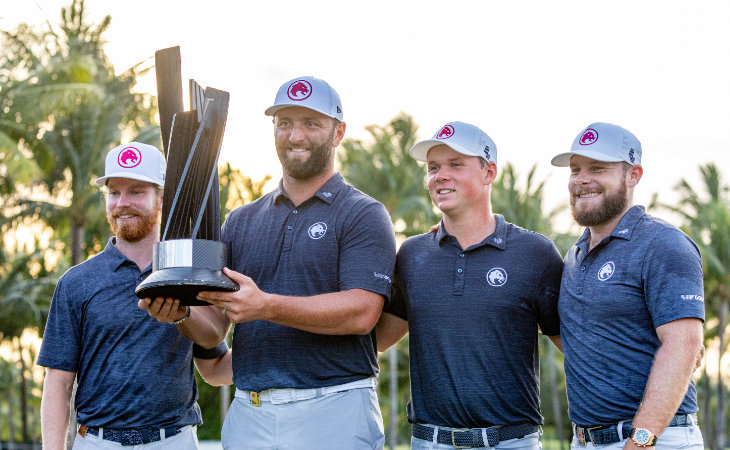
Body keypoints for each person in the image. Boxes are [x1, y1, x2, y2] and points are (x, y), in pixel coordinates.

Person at [194, 76, 397, 450]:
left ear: (338, 133)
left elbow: (362, 312)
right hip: (249, 413)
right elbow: (213, 328)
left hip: (334, 409)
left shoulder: (363, 214)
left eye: (311, 124)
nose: (295, 136)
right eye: (284, 123)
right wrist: (176, 312)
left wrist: (266, 306)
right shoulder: (239, 221)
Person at [377, 121, 564, 449]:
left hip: (511, 442)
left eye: (455, 165)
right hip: (429, 441)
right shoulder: (411, 254)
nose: (440, 175)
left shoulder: (536, 254)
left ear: (489, 173)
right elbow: (378, 339)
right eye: (433, 168)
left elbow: (578, 348)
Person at [38, 142, 231, 450]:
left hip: (173, 441)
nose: (122, 203)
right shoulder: (76, 283)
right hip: (98, 442)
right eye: (114, 193)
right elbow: (58, 382)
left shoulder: (188, 275)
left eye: (137, 191)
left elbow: (214, 360)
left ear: (162, 198)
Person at [551, 122, 705, 449]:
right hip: (588, 440)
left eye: (598, 168)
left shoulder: (664, 244)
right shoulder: (574, 256)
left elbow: (683, 345)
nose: (581, 179)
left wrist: (642, 438)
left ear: (633, 175)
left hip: (653, 439)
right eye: (575, 169)